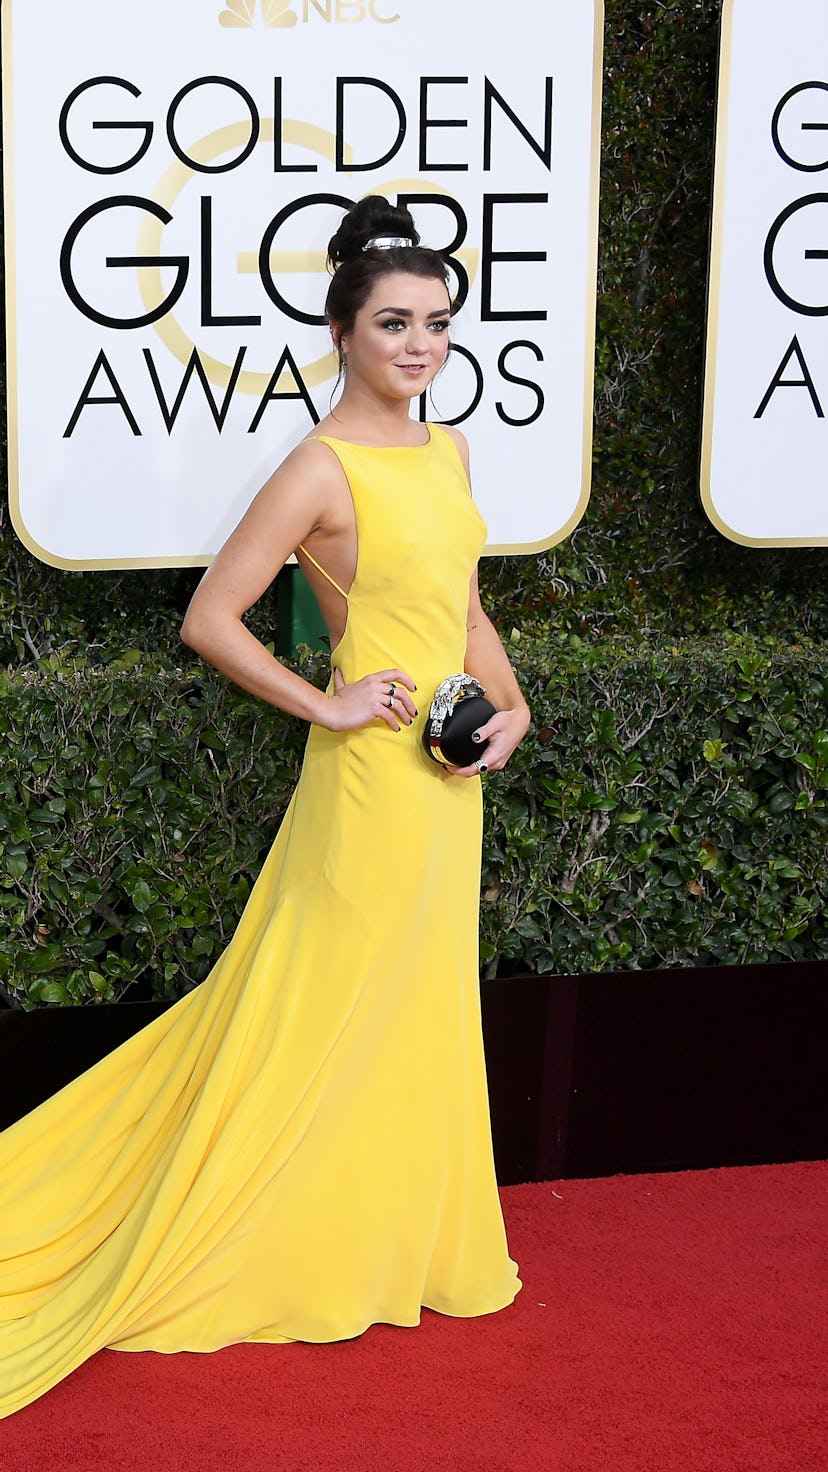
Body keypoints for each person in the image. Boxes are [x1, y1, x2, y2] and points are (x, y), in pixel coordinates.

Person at [0, 196, 530, 1420]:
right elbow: (211, 617)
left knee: (414, 1003)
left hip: (449, 788)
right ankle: (299, 1234)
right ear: (342, 329)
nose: (421, 345)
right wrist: (329, 705)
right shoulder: (314, 467)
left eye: (439, 324)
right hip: (368, 792)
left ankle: (397, 1234)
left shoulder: (448, 452)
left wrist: (510, 711)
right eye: (395, 323)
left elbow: (461, 609)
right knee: (323, 1001)